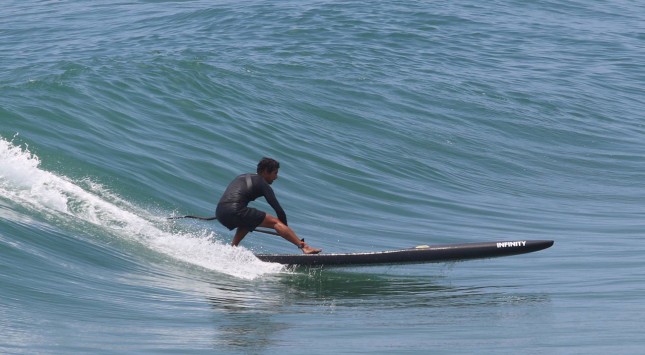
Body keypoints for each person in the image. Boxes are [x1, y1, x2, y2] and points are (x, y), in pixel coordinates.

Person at [215, 157, 322, 254]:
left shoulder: (242, 176)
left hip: (220, 212)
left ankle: (232, 248)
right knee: (275, 222)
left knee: (248, 221)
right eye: (275, 173)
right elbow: (279, 210)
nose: (276, 177)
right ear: (266, 172)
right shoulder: (262, 184)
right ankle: (304, 247)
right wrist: (284, 229)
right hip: (235, 210)